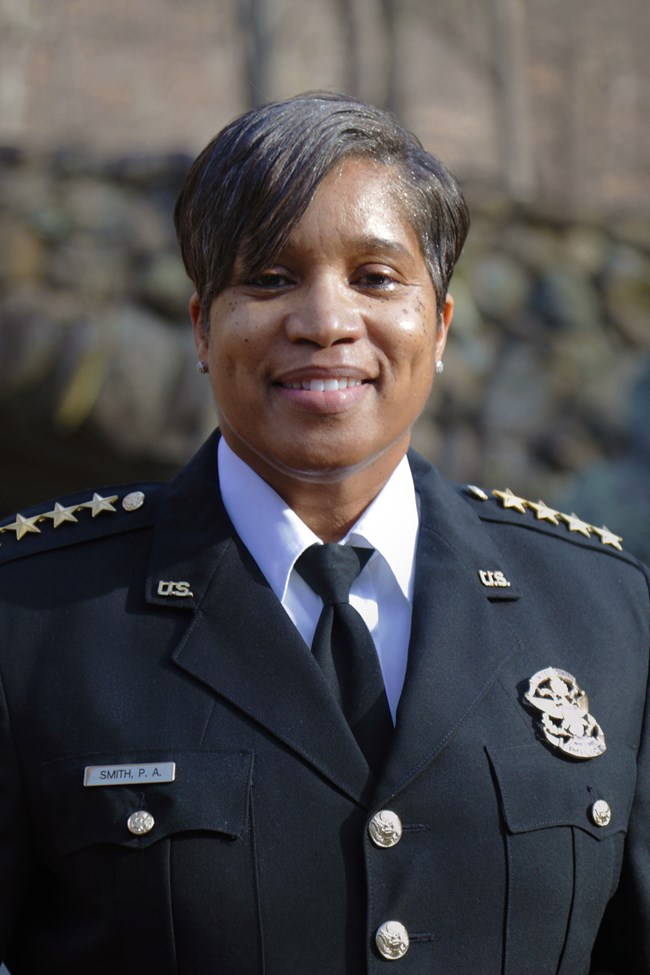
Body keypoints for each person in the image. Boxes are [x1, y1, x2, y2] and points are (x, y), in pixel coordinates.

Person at [0, 92, 648, 975]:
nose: (325, 321)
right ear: (201, 326)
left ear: (442, 325)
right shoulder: (32, 616)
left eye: (376, 278)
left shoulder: (607, 612)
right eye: (268, 278)